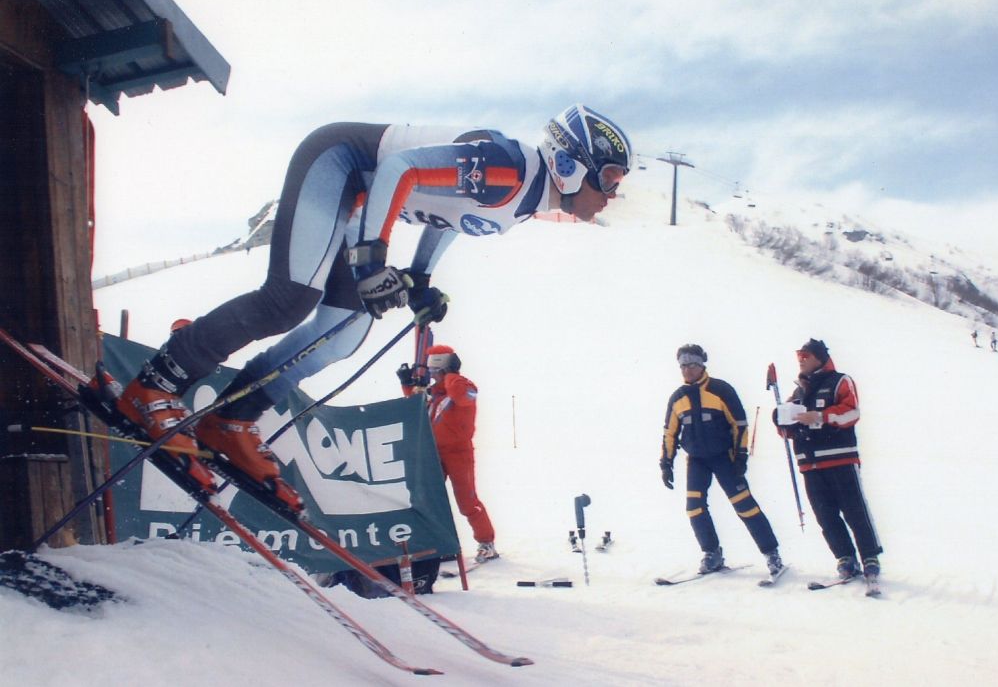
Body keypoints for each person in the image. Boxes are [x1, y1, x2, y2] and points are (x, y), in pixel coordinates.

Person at [112, 105, 633, 511]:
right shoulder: (511, 169)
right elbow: (402, 171)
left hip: (361, 199)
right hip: (339, 164)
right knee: (288, 299)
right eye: (609, 177)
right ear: (570, 164)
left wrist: (422, 276)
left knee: (341, 336)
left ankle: (232, 417)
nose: (612, 194)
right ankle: (155, 383)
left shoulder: (524, 197)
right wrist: (371, 259)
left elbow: (450, 215)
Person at [659, 344, 784, 577]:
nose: (686, 370)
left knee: (744, 505)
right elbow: (669, 433)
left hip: (724, 458)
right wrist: (666, 464)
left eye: (691, 365)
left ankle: (772, 554)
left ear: (702, 365)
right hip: (697, 461)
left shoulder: (720, 390)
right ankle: (711, 553)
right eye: (683, 365)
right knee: (694, 508)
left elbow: (740, 425)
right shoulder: (677, 398)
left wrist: (741, 457)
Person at [774, 338, 882, 581]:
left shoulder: (840, 381)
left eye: (806, 356)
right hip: (809, 463)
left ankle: (870, 557)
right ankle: (845, 557)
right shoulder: (798, 393)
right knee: (825, 515)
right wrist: (780, 419)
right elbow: (786, 431)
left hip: (839, 459)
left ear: (820, 358)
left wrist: (820, 416)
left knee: (855, 510)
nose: (801, 361)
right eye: (798, 356)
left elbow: (852, 413)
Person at [398, 344, 497, 562]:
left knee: (467, 502)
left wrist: (450, 373)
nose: (432, 376)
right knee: (431, 500)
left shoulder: (462, 386)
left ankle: (486, 542)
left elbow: (463, 396)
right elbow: (413, 408)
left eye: (435, 371)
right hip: (433, 453)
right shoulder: (432, 393)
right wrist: (408, 384)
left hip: (459, 453)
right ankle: (442, 545)